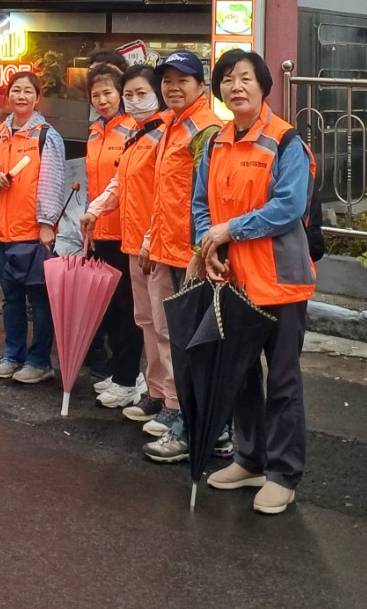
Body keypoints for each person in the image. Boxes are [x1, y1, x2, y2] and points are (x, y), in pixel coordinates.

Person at [194, 50, 316, 515]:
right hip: (233, 280)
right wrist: (211, 248)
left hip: (281, 281)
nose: (235, 86)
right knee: (240, 373)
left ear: (264, 86)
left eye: (245, 78)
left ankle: (284, 473)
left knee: (282, 379)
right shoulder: (215, 143)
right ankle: (250, 459)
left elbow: (288, 205)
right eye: (227, 79)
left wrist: (230, 231)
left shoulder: (285, 140)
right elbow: (200, 206)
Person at [82, 64, 179, 436]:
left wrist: (152, 237)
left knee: (164, 327)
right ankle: (155, 393)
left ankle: (173, 402)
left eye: (142, 93)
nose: (134, 100)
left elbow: (169, 196)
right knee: (147, 323)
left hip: (157, 247)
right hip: (133, 243)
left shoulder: (165, 134)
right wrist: (95, 209)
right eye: (130, 94)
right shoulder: (138, 135)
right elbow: (120, 183)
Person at [141, 49, 223, 465]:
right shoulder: (172, 124)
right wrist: (150, 239)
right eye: (167, 81)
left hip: (189, 257)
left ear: (200, 85)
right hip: (165, 249)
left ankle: (201, 426)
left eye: (183, 81)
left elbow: (209, 199)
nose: (173, 88)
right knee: (169, 336)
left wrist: (198, 253)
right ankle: (183, 413)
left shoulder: (204, 130)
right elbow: (166, 197)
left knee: (192, 344)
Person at [0, 71, 66, 385]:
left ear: (38, 97)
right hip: (0, 230)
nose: (21, 96)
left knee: (39, 300)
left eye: (28, 91)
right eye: (16, 90)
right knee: (10, 299)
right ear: (8, 96)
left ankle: (39, 361)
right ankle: (12, 355)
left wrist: (46, 224)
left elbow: (52, 183)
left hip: (31, 232)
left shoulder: (46, 136)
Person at [77, 65, 145, 409]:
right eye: (96, 94)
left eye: (108, 93)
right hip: (100, 230)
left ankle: (129, 377)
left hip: (127, 231)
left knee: (129, 309)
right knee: (108, 307)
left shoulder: (134, 130)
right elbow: (95, 183)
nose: (103, 100)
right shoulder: (94, 133)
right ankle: (122, 371)